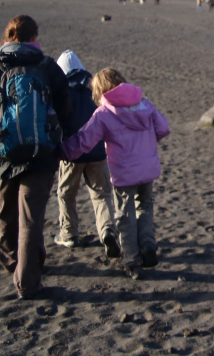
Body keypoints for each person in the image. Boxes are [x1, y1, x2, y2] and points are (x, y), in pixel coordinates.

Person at [0, 15, 71, 300]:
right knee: (31, 219)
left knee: (5, 211)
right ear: (34, 37)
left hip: (3, 155)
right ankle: (29, 279)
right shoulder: (47, 66)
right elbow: (65, 108)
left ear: (8, 35)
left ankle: (12, 263)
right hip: (41, 156)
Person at [61, 68, 170, 279]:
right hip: (147, 167)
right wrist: (147, 143)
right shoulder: (144, 103)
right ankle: (147, 243)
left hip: (124, 172)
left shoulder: (104, 113)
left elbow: (85, 140)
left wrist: (62, 151)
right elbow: (163, 127)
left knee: (124, 213)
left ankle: (132, 258)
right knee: (145, 205)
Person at [52, 51, 120, 260]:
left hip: (71, 152)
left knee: (66, 194)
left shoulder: (62, 91)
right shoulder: (95, 88)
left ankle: (69, 233)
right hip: (98, 152)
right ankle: (107, 230)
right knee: (101, 195)